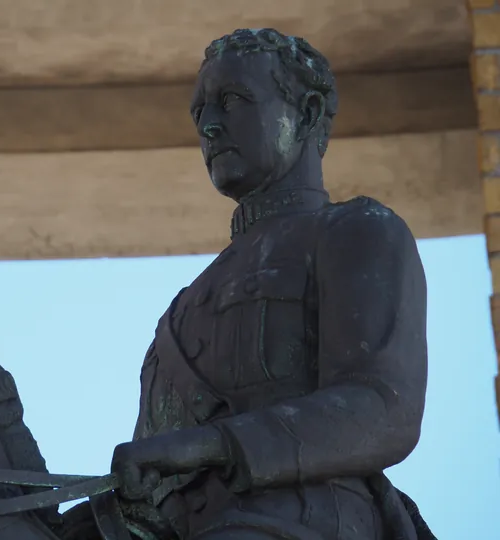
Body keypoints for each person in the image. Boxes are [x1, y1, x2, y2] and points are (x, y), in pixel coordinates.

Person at [110, 28, 435, 540]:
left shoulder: (360, 230)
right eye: (200, 113)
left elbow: (383, 409)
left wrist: (214, 445)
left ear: (306, 112)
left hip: (307, 520)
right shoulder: (181, 308)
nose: (209, 127)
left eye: (231, 102)